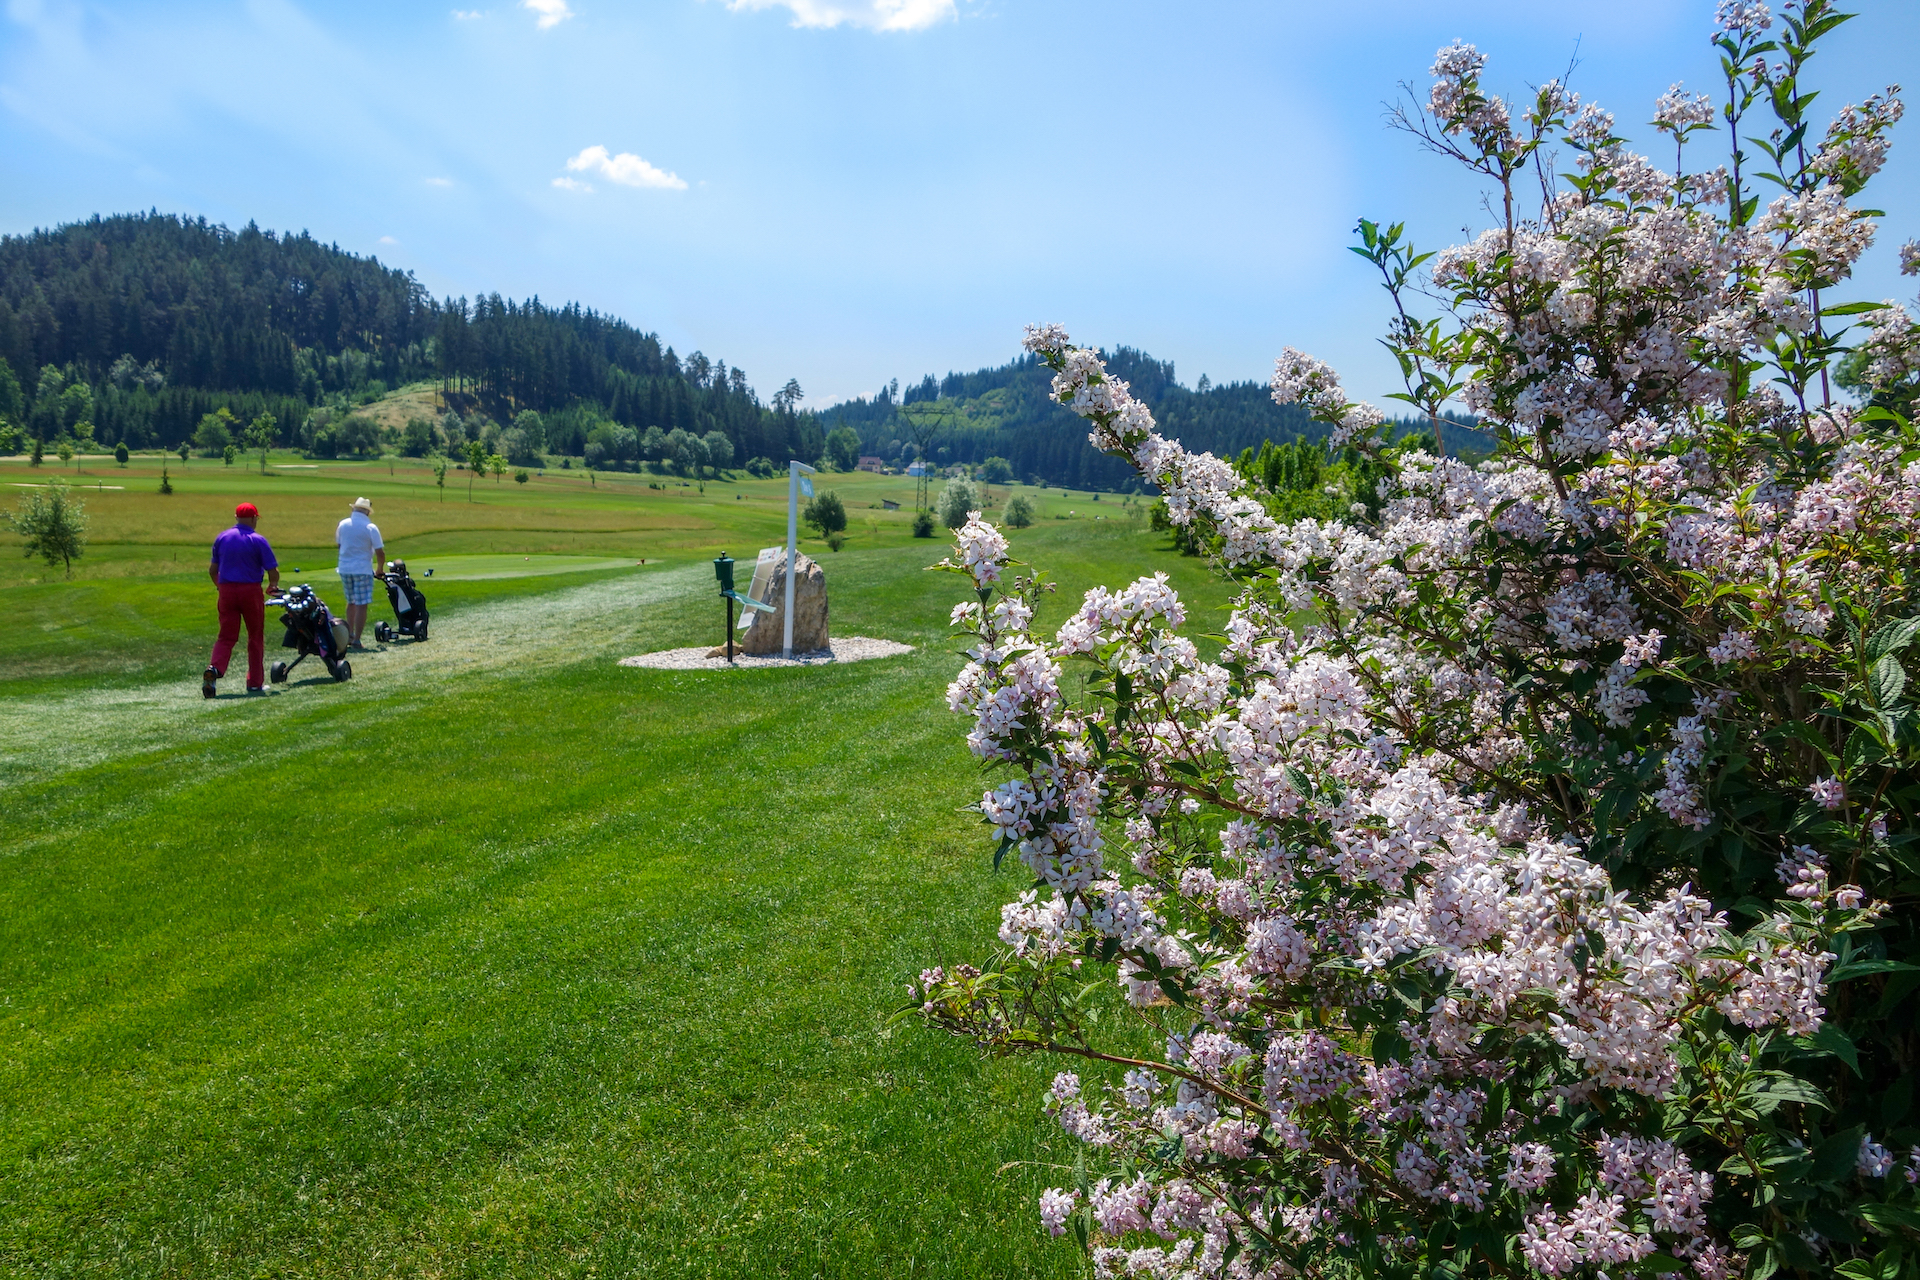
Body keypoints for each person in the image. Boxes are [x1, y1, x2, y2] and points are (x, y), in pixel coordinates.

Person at [204, 502, 280, 698]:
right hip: (251, 591)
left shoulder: (222, 537)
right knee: (255, 637)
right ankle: (255, 682)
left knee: (226, 636)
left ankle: (214, 668)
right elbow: (273, 572)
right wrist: (272, 586)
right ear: (254, 518)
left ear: (236, 517)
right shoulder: (258, 539)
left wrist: (220, 587)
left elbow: (212, 571)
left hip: (227, 590)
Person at [335, 496, 386, 649]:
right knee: (362, 604)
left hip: (344, 568)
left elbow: (339, 545)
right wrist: (380, 569)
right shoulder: (370, 527)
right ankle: (356, 639)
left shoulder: (343, 524)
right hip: (362, 569)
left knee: (351, 602)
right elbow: (380, 552)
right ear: (367, 512)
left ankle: (349, 635)